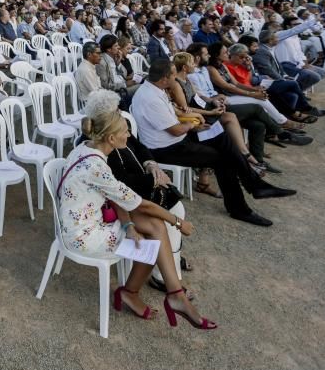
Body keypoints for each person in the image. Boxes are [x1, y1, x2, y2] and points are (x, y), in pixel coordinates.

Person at [61, 91, 216, 328]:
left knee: (152, 228)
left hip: (90, 216)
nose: (129, 134)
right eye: (125, 131)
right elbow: (138, 202)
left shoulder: (88, 148)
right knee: (150, 239)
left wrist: (128, 224)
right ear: (112, 139)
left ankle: (171, 294)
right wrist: (177, 222)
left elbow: (115, 198)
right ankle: (148, 293)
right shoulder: (98, 166)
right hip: (83, 234)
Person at [131, 59, 294, 227]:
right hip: (166, 148)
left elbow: (175, 121)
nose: (176, 78)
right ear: (164, 79)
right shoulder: (150, 98)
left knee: (222, 137)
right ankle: (242, 204)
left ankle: (254, 186)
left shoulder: (156, 89)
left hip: (176, 140)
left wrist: (195, 124)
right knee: (223, 160)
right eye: (173, 75)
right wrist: (193, 124)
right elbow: (176, 130)